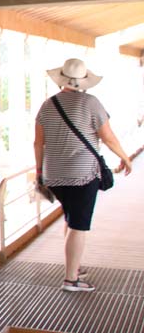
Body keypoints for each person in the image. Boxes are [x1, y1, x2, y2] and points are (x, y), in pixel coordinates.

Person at [34, 58, 133, 292]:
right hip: (82, 175)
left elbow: (38, 143)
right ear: (84, 82)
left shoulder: (47, 106)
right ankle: (71, 279)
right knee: (79, 225)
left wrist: (40, 172)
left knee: (71, 217)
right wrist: (125, 156)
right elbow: (108, 137)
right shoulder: (91, 103)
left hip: (54, 175)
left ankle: (74, 267)